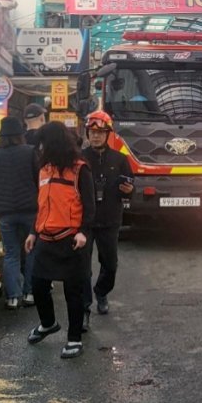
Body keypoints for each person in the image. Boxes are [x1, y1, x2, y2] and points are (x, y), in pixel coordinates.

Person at [25, 121, 94, 359]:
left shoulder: (80, 169)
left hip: (72, 239)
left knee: (73, 292)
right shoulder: (44, 170)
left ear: (53, 144)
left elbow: (89, 205)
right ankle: (48, 323)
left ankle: (74, 338)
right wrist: (33, 232)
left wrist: (83, 231)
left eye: (43, 144)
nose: (40, 149)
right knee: (38, 285)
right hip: (45, 238)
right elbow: (42, 204)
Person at [80, 110, 134, 320]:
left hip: (110, 219)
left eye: (101, 132)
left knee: (110, 264)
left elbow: (129, 186)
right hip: (84, 221)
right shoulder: (79, 159)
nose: (96, 136)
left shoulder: (120, 160)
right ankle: (84, 307)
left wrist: (128, 190)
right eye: (92, 132)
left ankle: (101, 292)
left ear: (108, 134)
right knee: (83, 267)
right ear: (87, 134)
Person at [0, 117, 38, 309]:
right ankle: (30, 293)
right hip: (30, 210)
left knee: (11, 254)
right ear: (20, 135)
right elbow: (37, 180)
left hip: (6, 212)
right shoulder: (30, 152)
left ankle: (12, 297)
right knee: (31, 251)